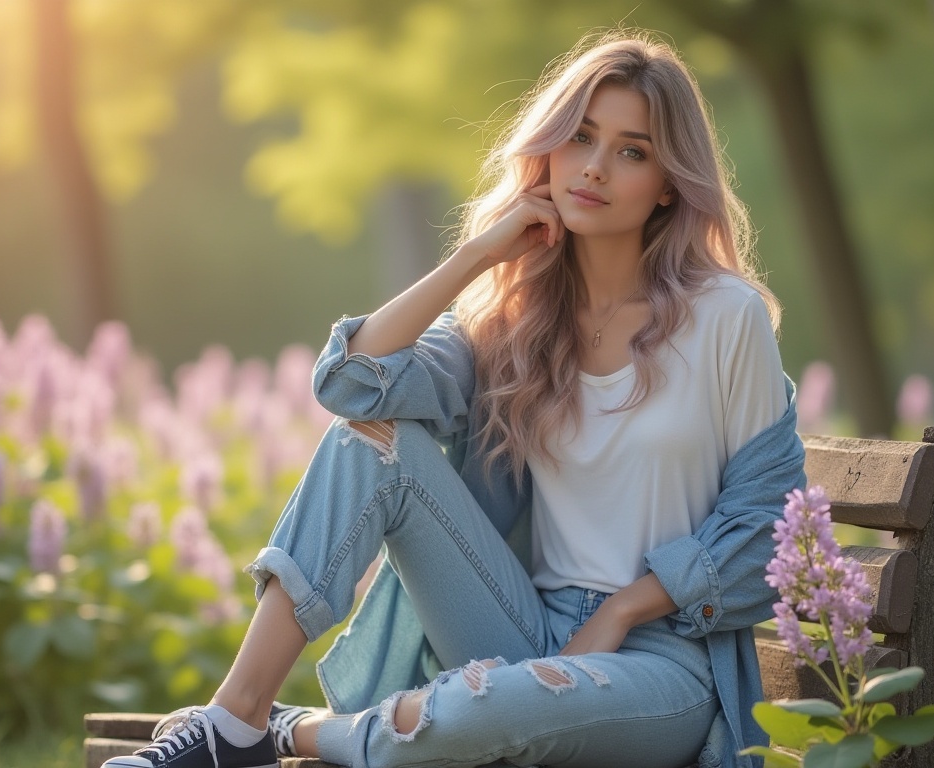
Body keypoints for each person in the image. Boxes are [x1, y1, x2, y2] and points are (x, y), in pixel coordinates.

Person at [105, 30, 806, 768]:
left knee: (486, 709)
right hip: (522, 623)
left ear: (668, 182)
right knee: (369, 442)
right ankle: (235, 718)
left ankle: (294, 731)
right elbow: (349, 386)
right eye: (579, 138)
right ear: (549, 152)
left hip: (665, 663)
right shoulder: (514, 319)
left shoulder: (727, 316)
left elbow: (766, 525)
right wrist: (478, 257)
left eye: (631, 151)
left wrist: (627, 609)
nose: (594, 168)